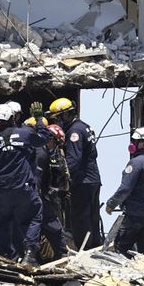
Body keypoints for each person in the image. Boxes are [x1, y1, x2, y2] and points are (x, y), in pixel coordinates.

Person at [0, 103, 48, 266]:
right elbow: (44, 138)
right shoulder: (25, 134)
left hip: (1, 192)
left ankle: (9, 257)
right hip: (24, 189)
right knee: (35, 215)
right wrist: (39, 119)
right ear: (12, 118)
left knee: (1, 222)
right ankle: (30, 254)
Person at [49, 97, 103, 250]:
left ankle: (84, 249)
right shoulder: (84, 126)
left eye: (58, 118)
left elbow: (73, 160)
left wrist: (62, 181)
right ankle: (94, 247)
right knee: (92, 217)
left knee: (80, 218)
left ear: (66, 115)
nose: (58, 122)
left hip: (83, 181)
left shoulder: (74, 131)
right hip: (93, 179)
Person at [105, 127, 144, 258]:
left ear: (143, 143)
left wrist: (111, 204)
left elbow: (125, 188)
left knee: (123, 248)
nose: (132, 144)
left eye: (135, 141)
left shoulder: (136, 163)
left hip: (136, 214)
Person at [37, 124, 71, 261]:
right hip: (43, 198)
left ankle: (56, 258)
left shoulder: (57, 154)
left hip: (55, 199)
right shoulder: (40, 154)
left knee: (56, 230)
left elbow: (63, 175)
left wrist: (64, 190)